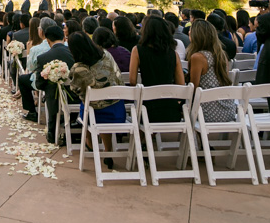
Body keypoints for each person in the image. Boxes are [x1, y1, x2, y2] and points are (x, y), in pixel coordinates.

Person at [68, 31, 124, 165]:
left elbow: (75, 89)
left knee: (86, 104)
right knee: (98, 103)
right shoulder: (106, 55)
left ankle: (90, 143)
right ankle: (108, 149)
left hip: (94, 113)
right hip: (117, 109)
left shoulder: (78, 68)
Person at [130, 16, 185, 122]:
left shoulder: (137, 50)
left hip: (147, 108)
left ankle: (144, 138)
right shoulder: (173, 54)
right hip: (171, 110)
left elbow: (133, 81)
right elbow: (181, 84)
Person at [186, 20, 236, 122]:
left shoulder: (198, 57)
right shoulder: (222, 56)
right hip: (227, 110)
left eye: (191, 31)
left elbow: (193, 89)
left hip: (207, 111)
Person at [34, 25, 75, 144]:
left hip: (54, 102)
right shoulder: (74, 53)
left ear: (47, 40)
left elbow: (39, 84)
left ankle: (52, 130)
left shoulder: (43, 58)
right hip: (76, 96)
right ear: (64, 38)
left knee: (50, 89)